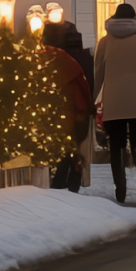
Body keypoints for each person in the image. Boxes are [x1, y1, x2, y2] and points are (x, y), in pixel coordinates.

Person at [95, 1, 136, 202]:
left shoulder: (105, 42)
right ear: (135, 19)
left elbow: (98, 72)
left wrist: (94, 97)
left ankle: (120, 186)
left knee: (116, 143)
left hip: (114, 100)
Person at [38, 23, 92, 192]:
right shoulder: (74, 59)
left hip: (48, 112)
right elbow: (84, 86)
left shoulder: (41, 57)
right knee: (73, 148)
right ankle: (71, 181)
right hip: (72, 111)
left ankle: (59, 181)